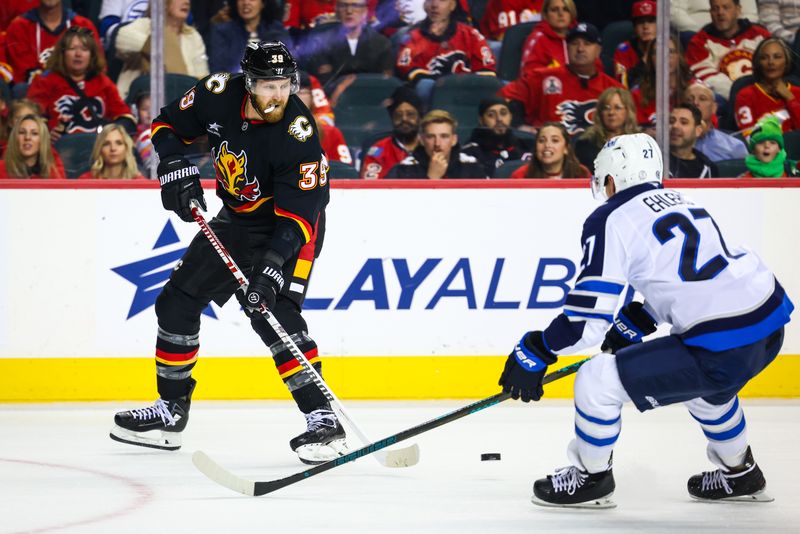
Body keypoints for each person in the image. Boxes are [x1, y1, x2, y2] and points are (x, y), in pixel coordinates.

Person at [498, 132, 793, 508]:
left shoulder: (609, 218)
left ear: (610, 178)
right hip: (769, 324)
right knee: (708, 391)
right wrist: (642, 315)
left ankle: (590, 480)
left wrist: (538, 349)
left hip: (723, 347)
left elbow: (584, 323)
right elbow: (699, 275)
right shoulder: (683, 200)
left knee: (596, 380)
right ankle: (741, 474)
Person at [109, 41, 345, 465]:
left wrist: (272, 268)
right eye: (268, 86)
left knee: (272, 314)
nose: (277, 96)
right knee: (176, 302)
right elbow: (166, 126)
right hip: (237, 220)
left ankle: (323, 418)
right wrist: (175, 169)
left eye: (284, 86)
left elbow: (299, 219)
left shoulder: (299, 134)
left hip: (291, 228)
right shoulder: (217, 93)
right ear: (248, 83)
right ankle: (171, 412)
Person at [499, 22, 622, 135]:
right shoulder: (541, 78)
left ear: (598, 50)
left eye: (587, 43)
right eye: (574, 43)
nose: (580, 49)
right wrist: (519, 126)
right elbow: (504, 98)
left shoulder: (614, 89)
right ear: (567, 48)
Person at [27, 26, 135, 140]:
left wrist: (111, 134)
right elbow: (31, 118)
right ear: (62, 53)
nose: (78, 54)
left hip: (98, 149)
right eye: (72, 48)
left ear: (92, 55)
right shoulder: (45, 81)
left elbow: (125, 118)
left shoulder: (103, 82)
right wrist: (46, 132)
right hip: (58, 149)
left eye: (84, 49)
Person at [395, 0, 496, 102]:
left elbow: (487, 70)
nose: (434, 5)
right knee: (425, 86)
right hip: (432, 97)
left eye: (442, 0)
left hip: (468, 96)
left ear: (452, 5)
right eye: (430, 0)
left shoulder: (471, 35)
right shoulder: (413, 37)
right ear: (424, 5)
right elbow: (406, 67)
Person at [114, 0, 210, 98]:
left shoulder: (193, 36)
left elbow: (202, 76)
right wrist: (164, 33)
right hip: (141, 101)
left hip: (184, 103)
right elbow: (121, 42)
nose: (187, 2)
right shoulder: (143, 26)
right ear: (163, 3)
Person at [685, 0, 770, 101]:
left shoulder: (759, 34)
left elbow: (773, 67)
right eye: (715, 8)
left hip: (764, 93)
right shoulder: (698, 43)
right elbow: (709, 79)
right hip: (726, 102)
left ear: (738, 10)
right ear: (710, 13)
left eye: (726, 7)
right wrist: (745, 96)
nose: (720, 13)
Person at [4, 0, 103, 85]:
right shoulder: (20, 28)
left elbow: (98, 70)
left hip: (79, 96)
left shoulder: (84, 26)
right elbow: (24, 76)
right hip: (37, 98)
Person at [302, 0, 393, 88]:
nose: (349, 11)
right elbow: (323, 82)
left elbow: (385, 83)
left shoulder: (381, 43)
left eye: (355, 5)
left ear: (365, 11)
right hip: (334, 99)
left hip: (371, 97)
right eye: (343, 5)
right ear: (336, 10)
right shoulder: (321, 42)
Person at [386, 109, 487, 178]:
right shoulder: (404, 169)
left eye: (444, 136)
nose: (437, 143)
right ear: (421, 140)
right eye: (431, 137)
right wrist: (431, 178)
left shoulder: (472, 166)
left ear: (454, 140)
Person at [734, 37, 800, 133]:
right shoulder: (746, 95)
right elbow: (748, 136)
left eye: (777, 57)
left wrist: (790, 99)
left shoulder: (797, 92)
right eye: (764, 58)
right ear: (758, 63)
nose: (771, 62)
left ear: (787, 62)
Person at [208, 0, 290, 75]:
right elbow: (217, 68)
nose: (246, 2)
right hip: (233, 85)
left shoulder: (276, 30)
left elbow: (288, 65)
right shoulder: (222, 31)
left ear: (263, 3)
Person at [360, 86, 424, 179]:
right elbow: (370, 188)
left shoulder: (431, 146)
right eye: (398, 115)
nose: (404, 119)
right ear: (392, 117)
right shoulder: (379, 150)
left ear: (420, 117)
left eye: (410, 114)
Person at [462, 96, 533, 177]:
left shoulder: (528, 146)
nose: (499, 119)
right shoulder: (470, 152)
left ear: (510, 116)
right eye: (491, 115)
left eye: (503, 113)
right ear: (481, 120)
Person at [573, 87, 639, 171]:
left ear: (628, 111)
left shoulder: (639, 143)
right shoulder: (585, 144)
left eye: (617, 108)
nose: (611, 112)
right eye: (606, 108)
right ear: (600, 113)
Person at [297, 71, 353, 165]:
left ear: (312, 96)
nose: (296, 97)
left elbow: (344, 169)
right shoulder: (269, 132)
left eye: (302, 92)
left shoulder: (330, 133)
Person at [686, 81, 748, 161]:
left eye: (702, 99)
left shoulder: (734, 146)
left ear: (714, 108)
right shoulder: (672, 142)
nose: (695, 103)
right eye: (689, 100)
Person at [510, 121, 590, 178]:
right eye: (541, 140)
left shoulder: (582, 174)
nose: (547, 145)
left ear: (566, 148)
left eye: (555, 140)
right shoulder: (520, 176)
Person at [518, 0, 576, 74]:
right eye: (554, 10)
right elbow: (528, 75)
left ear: (572, 14)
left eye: (566, 9)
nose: (561, 14)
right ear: (545, 15)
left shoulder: (580, 37)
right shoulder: (537, 39)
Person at [0, 114, 66, 178]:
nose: (27, 137)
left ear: (42, 140)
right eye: (22, 132)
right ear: (14, 138)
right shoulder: (1, 169)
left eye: (34, 133)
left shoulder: (54, 171)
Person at [77, 123, 145, 179]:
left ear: (126, 148)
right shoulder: (85, 180)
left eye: (119, 143)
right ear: (99, 149)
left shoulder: (139, 182)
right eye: (106, 144)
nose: (113, 148)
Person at [613, 0, 656, 89]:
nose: (645, 27)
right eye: (640, 22)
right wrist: (646, 57)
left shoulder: (670, 46)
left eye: (651, 21)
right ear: (634, 27)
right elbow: (623, 84)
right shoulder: (623, 50)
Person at [670, 103, 719, 178]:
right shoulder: (653, 159)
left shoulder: (709, 169)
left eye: (684, 122)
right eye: (671, 121)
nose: (675, 126)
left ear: (698, 131)